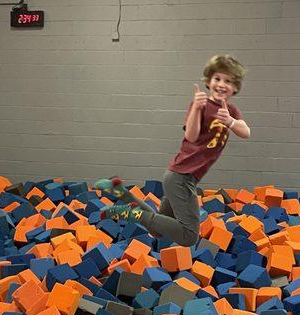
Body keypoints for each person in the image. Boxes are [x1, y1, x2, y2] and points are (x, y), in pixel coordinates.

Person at [95, 54, 251, 247]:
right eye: (217, 78)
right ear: (208, 81)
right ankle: (124, 213)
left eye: (228, 81)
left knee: (158, 229)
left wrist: (231, 121)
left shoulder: (231, 111)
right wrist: (196, 108)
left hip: (183, 177)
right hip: (181, 178)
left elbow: (246, 132)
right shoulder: (200, 106)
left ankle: (119, 193)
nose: (221, 84)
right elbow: (191, 136)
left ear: (235, 87)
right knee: (188, 236)